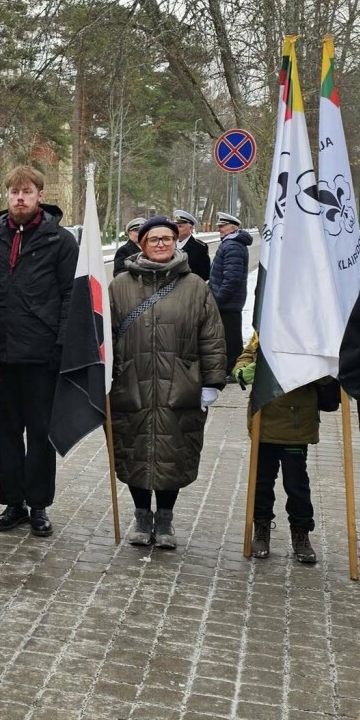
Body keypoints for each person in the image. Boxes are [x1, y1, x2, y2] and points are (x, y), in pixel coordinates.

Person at [109, 216, 226, 548]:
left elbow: (212, 337)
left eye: (167, 238)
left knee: (172, 453)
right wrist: (104, 377)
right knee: (136, 451)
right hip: (133, 384)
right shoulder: (120, 286)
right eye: (153, 239)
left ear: (176, 241)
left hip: (181, 387)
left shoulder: (195, 287)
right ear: (141, 244)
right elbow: (103, 335)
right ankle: (142, 516)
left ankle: (165, 521)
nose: (161, 244)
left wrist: (212, 383)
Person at [0, 165, 78, 537]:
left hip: (41, 356)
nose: (20, 198)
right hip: (0, 356)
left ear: (40, 195)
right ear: (6, 196)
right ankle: (13, 502)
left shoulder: (60, 241)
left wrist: (60, 346)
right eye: (14, 192)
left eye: (27, 191)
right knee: (5, 433)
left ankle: (38, 504)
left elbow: (71, 296)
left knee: (40, 434)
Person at [234, 333, 329, 564]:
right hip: (264, 420)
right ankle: (261, 529)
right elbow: (248, 353)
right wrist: (243, 370)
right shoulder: (267, 326)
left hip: (296, 425)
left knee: (296, 484)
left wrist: (313, 369)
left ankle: (301, 533)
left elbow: (328, 372)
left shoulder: (311, 331)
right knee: (261, 481)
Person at [208, 212, 251, 366]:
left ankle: (233, 366)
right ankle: (229, 365)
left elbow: (232, 277)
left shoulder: (233, 246)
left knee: (231, 337)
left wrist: (220, 297)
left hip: (228, 301)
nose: (220, 229)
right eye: (219, 226)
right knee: (228, 335)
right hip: (228, 300)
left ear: (232, 228)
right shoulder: (230, 243)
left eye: (223, 226)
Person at [173, 209, 211, 280]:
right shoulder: (170, 244)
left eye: (180, 226)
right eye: (175, 226)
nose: (176, 229)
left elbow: (204, 274)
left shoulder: (200, 247)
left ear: (190, 228)